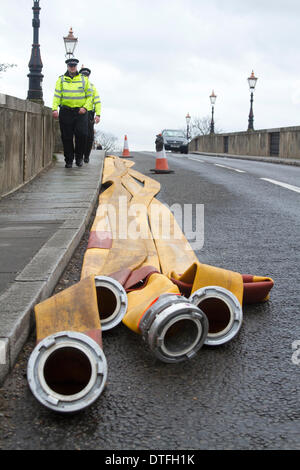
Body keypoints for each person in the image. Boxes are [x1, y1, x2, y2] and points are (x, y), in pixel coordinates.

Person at [52, 58, 93, 168]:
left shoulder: (84, 80)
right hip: (66, 111)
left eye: (74, 66)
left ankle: (79, 158)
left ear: (77, 67)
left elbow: (90, 97)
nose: (72, 67)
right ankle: (69, 160)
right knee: (67, 137)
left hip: (80, 112)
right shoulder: (61, 80)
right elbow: (57, 96)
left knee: (82, 135)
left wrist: (85, 108)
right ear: (67, 66)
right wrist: (54, 109)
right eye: (70, 66)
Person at [79, 66, 101, 163]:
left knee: (90, 137)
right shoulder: (77, 86)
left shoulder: (92, 87)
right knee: (80, 135)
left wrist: (98, 115)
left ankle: (86, 155)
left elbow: (97, 102)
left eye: (87, 75)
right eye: (83, 75)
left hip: (89, 114)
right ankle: (79, 155)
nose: (85, 77)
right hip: (79, 113)